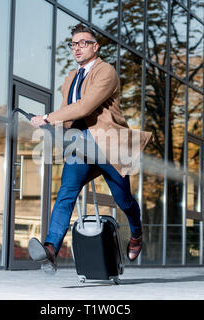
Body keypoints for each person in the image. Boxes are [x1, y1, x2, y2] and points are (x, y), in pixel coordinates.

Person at [28, 23, 152, 274]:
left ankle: (137, 233)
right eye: (74, 44)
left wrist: (49, 116)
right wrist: (48, 124)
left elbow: (85, 107)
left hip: (109, 145)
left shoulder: (106, 72)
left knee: (123, 199)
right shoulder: (70, 78)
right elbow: (68, 112)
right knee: (66, 192)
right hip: (79, 146)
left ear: (95, 47)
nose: (77, 48)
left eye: (83, 43)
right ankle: (51, 248)